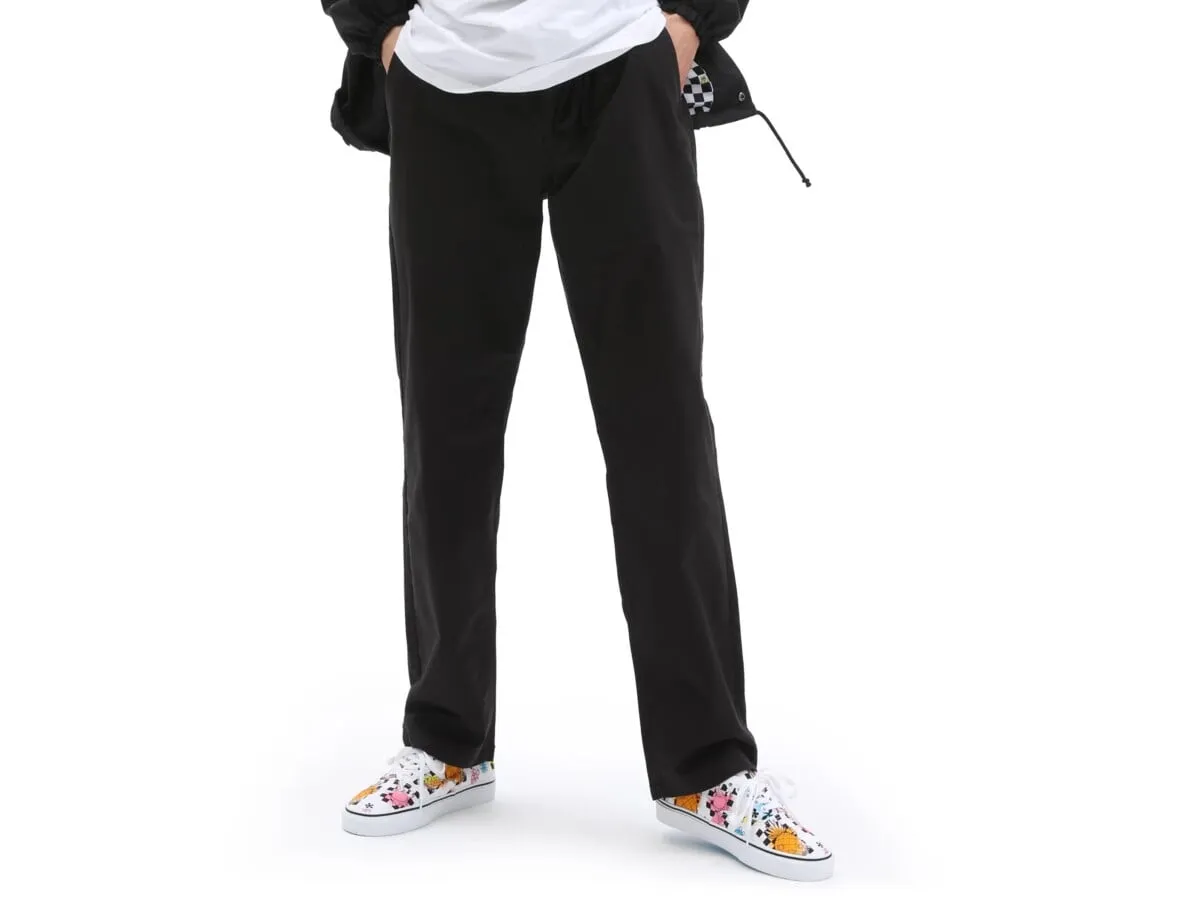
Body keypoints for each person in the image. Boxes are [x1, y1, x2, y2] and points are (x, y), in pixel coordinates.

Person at [322, 0, 830, 880]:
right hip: (446, 82)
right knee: (446, 427)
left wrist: (690, 24)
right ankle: (446, 741)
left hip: (618, 68)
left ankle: (707, 766)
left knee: (661, 430)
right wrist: (383, 35)